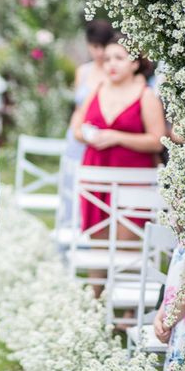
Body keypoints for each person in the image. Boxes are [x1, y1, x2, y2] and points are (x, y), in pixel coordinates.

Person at [72, 33, 165, 294]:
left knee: (127, 250)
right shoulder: (97, 90)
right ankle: (95, 303)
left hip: (133, 180)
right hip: (96, 177)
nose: (111, 64)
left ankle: (127, 310)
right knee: (99, 245)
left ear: (135, 63)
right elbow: (77, 129)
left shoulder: (146, 95)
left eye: (119, 58)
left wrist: (117, 137)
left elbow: (157, 140)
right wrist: (90, 135)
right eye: (109, 58)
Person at [59, 20, 114, 224]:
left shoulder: (113, 71)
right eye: (94, 47)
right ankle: (70, 232)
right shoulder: (83, 71)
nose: (99, 52)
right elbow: (77, 108)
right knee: (71, 186)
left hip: (101, 138)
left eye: (103, 46)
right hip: (77, 137)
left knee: (93, 191)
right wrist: (75, 130)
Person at [155, 246, 185, 371]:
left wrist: (167, 323)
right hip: (176, 320)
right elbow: (172, 288)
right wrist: (159, 317)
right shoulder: (181, 245)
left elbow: (184, 298)